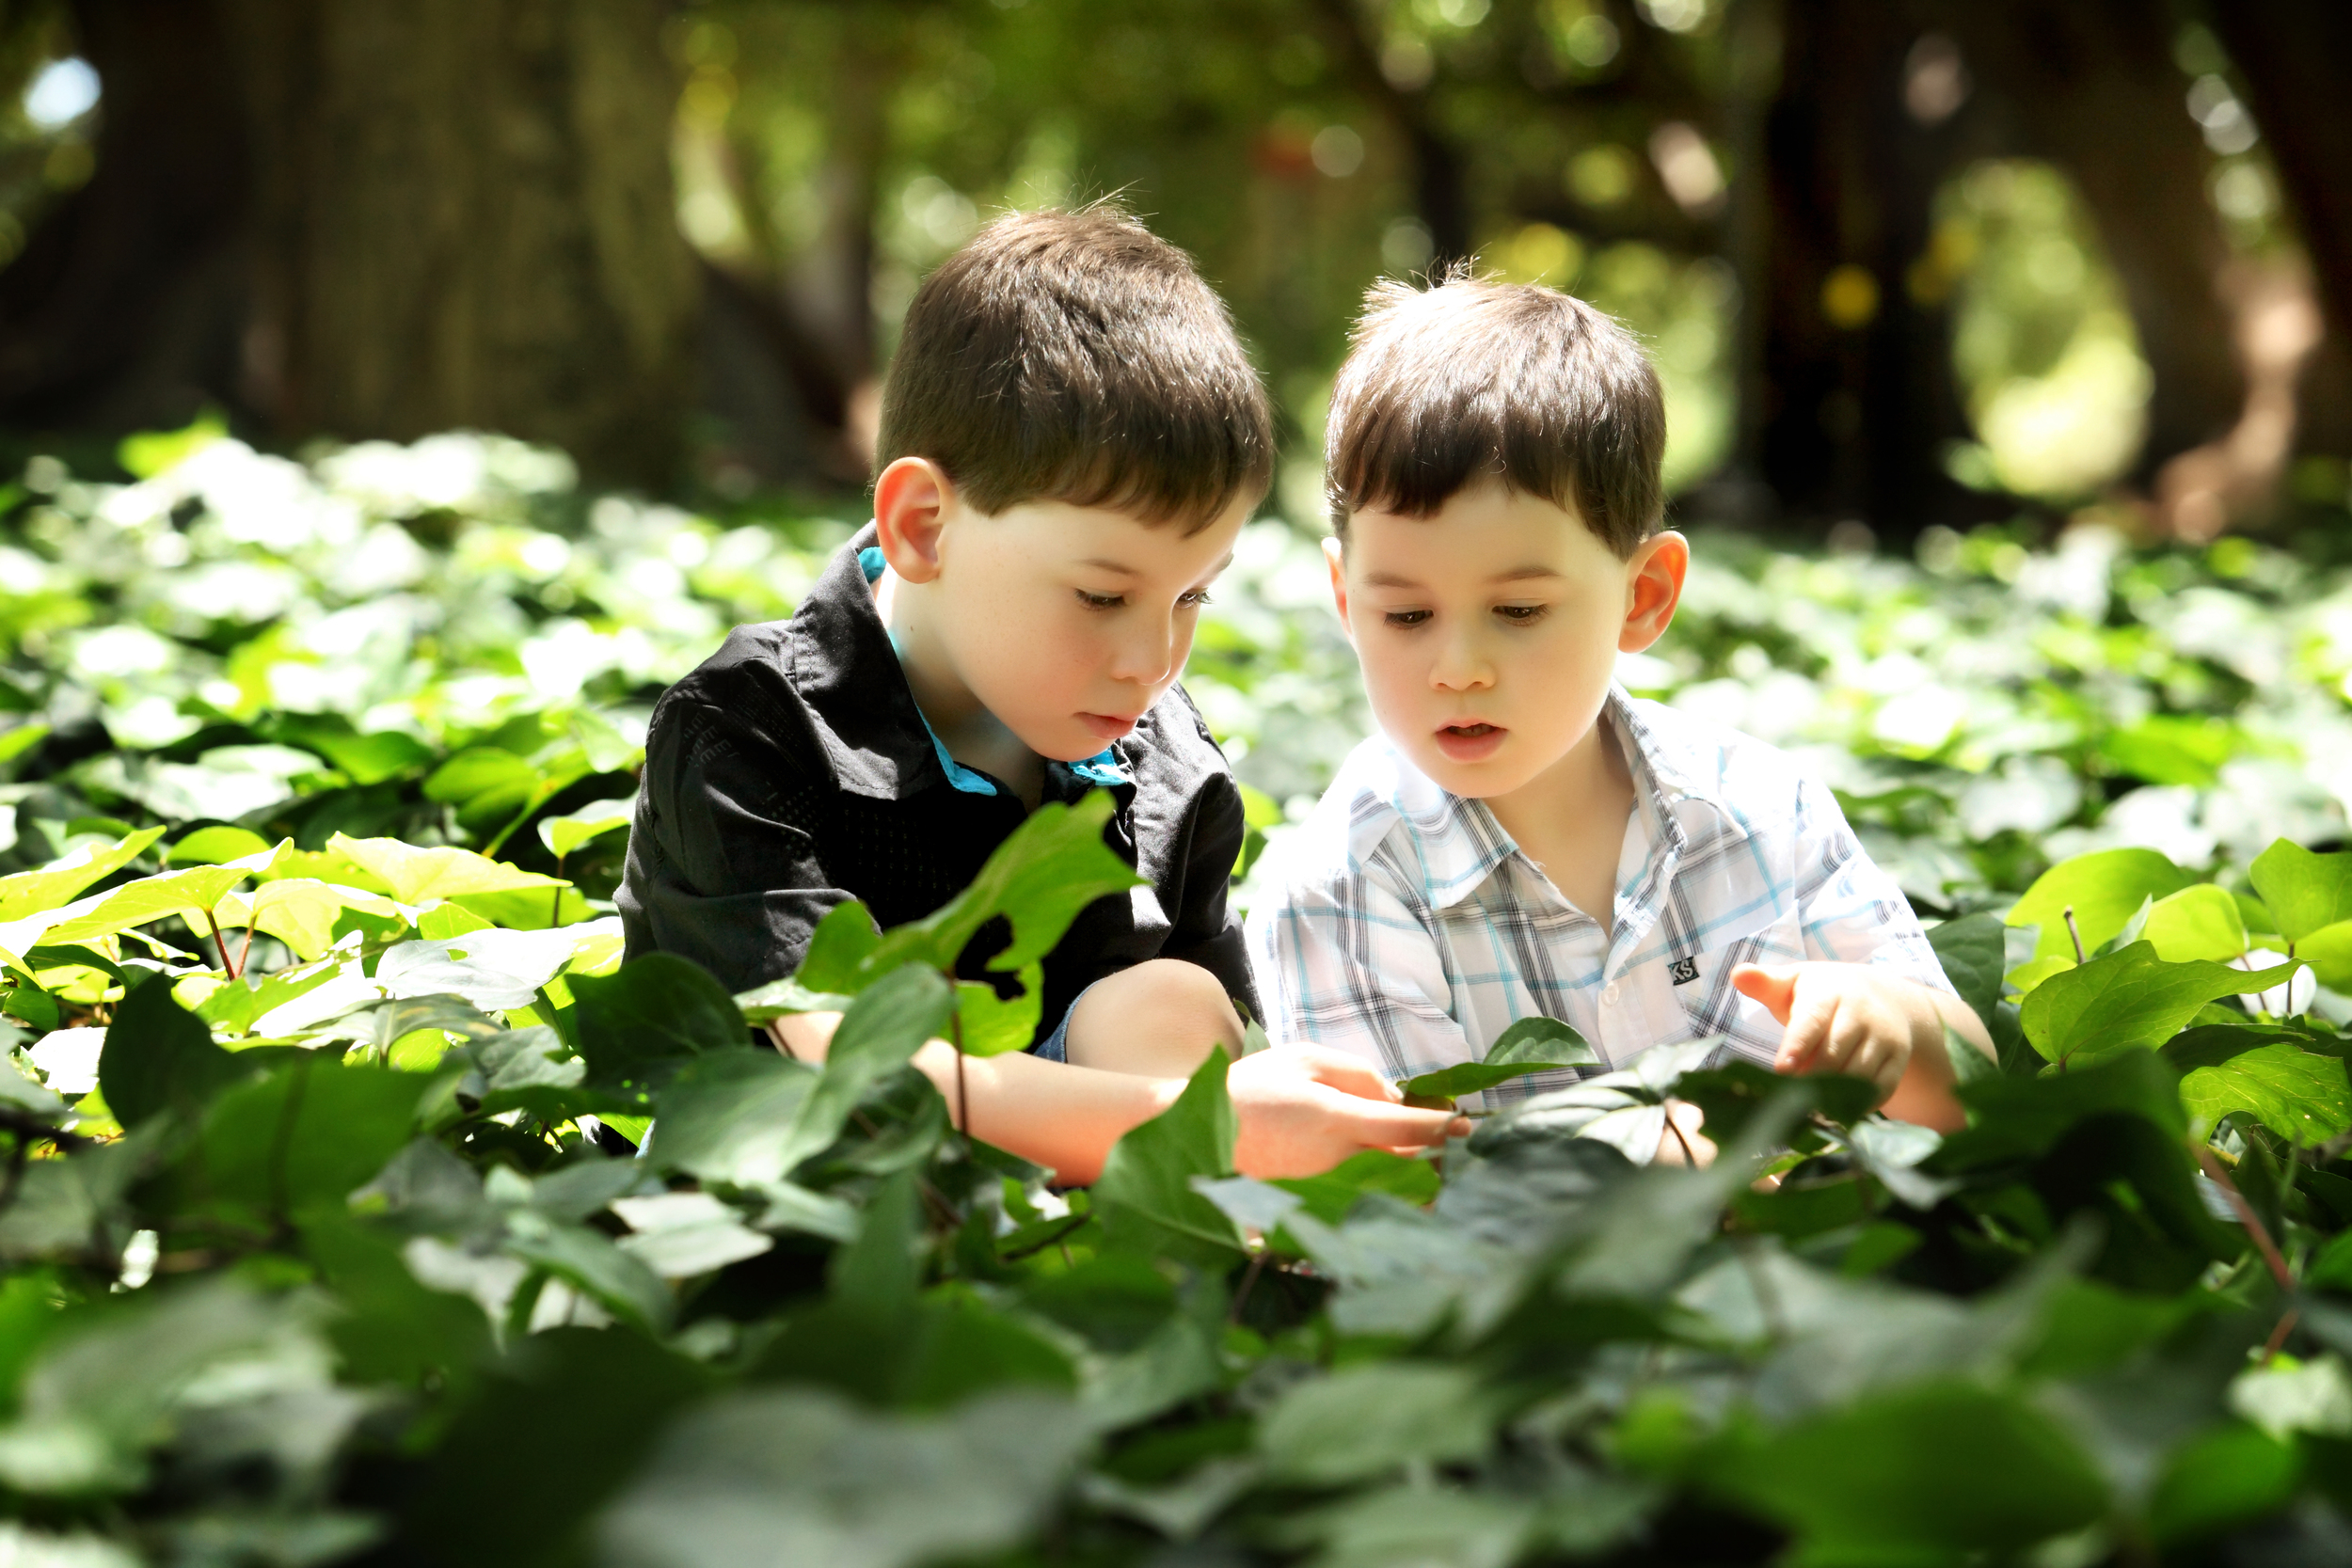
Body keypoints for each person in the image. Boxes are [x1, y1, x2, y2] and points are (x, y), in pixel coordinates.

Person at [618, 208, 1464, 1183]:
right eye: (1102, 595)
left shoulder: (1169, 766)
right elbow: (841, 1065)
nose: (1152, 659)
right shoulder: (748, 729)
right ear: (924, 525)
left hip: (1070, 1200)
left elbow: (1210, 1044)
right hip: (786, 1196)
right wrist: (1202, 1131)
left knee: (1166, 998)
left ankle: (1166, 1287)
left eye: (1191, 594)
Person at [1247, 272, 1994, 1155]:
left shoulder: (1759, 805)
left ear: (1643, 595)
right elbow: (1403, 1199)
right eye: (1405, 615)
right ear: (1344, 596)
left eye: (1519, 611)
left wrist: (1896, 1026)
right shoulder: (1340, 888)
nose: (1458, 669)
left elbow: (1976, 1094)